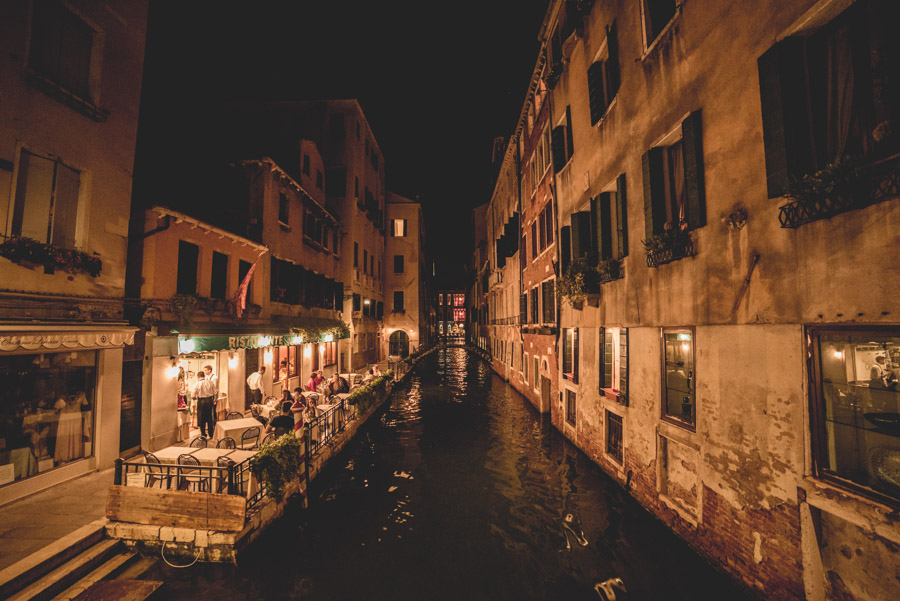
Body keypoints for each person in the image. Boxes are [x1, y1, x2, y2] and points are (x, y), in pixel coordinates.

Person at [191, 370, 217, 439]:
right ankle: (211, 434)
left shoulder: (196, 384)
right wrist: (214, 399)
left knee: (201, 418)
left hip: (201, 401)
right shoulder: (210, 382)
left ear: (198, 377)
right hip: (209, 401)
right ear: (204, 376)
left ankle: (203, 434)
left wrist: (196, 397)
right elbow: (215, 391)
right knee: (209, 417)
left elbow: (193, 396)